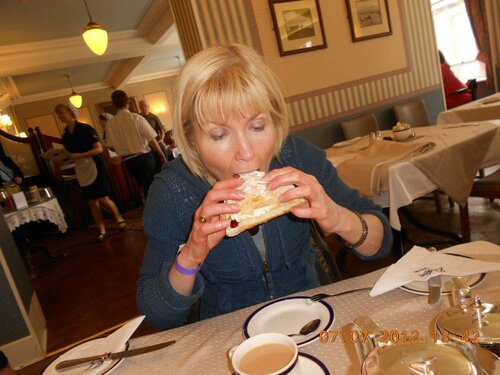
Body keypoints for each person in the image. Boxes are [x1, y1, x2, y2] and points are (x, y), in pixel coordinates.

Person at [137, 44, 392, 330]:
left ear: (275, 120)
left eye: (257, 127)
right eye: (220, 134)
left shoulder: (297, 156)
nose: (246, 152)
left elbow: (380, 244)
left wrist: (337, 216)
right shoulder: (172, 191)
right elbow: (157, 315)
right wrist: (192, 254)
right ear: (191, 138)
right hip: (228, 338)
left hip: (312, 319)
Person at [55, 103, 126, 241]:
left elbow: (99, 149)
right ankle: (101, 230)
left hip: (95, 166)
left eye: (61, 112)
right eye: (57, 114)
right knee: (92, 202)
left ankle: (119, 218)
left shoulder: (86, 129)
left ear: (70, 112)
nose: (59, 116)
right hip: (82, 169)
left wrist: (80, 155)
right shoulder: (65, 135)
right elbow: (70, 154)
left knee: (103, 198)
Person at [105, 91, 166, 198]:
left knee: (145, 185)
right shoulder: (137, 118)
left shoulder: (110, 123)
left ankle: (153, 208)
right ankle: (158, 209)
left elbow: (110, 146)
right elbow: (151, 140)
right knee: (152, 185)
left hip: (129, 162)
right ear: (127, 102)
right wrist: (161, 154)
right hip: (144, 158)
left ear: (114, 104)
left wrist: (121, 151)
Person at [139, 100, 171, 171]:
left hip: (158, 143)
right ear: (139, 108)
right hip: (147, 146)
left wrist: (162, 140)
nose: (143, 108)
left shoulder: (154, 117)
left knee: (165, 160)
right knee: (154, 166)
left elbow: (161, 130)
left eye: (145, 106)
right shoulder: (138, 118)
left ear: (148, 106)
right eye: (141, 106)